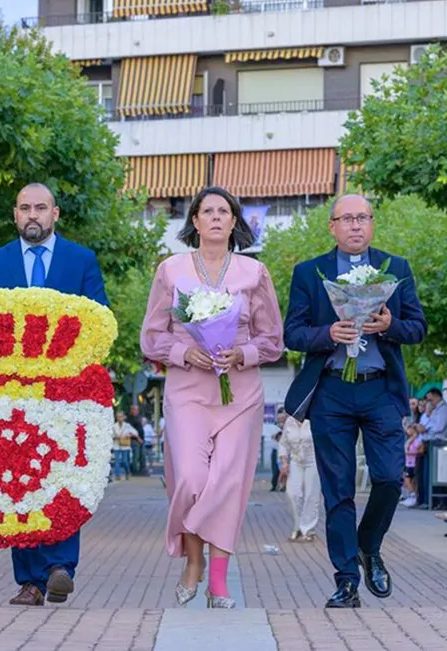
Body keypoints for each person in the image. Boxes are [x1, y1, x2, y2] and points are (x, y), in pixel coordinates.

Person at [140, 185, 284, 609]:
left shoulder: (254, 274)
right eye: (209, 211)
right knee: (189, 478)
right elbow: (152, 338)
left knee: (226, 482)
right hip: (187, 389)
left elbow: (273, 340)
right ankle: (192, 561)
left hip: (240, 392)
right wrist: (186, 353)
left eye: (225, 211)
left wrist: (244, 353)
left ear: (235, 222)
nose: (217, 217)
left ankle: (218, 580)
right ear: (196, 222)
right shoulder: (171, 270)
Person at [282, 194, 427, 608]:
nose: (356, 225)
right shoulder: (310, 273)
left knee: (388, 479)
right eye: (347, 219)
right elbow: (292, 334)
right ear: (332, 226)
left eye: (363, 217)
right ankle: (346, 578)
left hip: (380, 388)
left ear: (373, 223)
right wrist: (328, 334)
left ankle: (369, 544)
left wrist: (389, 324)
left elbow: (417, 328)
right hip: (331, 391)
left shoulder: (395, 269)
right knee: (338, 491)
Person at [0, 182, 108, 607]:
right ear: (14, 215)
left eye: (41, 208)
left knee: (61, 478)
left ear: (55, 214)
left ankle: (59, 568)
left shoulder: (81, 260)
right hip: (10, 394)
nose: (33, 215)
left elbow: (100, 322)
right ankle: (30, 579)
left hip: (66, 395)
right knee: (17, 480)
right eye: (25, 208)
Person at [277, 409, 320, 542]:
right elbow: (283, 443)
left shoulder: (314, 419)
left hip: (313, 461)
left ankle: (308, 529)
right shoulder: (289, 422)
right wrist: (284, 462)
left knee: (311, 495)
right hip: (296, 461)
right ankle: (297, 527)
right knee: (293, 493)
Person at [110, 411, 139, 482]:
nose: (119, 418)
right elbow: (110, 435)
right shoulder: (114, 426)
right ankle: (118, 475)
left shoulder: (127, 425)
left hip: (125, 446)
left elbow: (135, 432)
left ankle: (128, 472)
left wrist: (128, 435)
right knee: (117, 461)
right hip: (116, 445)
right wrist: (115, 436)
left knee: (125, 461)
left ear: (123, 417)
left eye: (121, 416)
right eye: (118, 417)